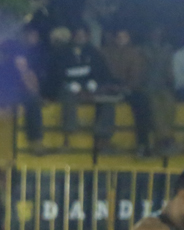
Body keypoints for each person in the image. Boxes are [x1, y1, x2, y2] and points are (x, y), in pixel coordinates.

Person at [51, 26, 117, 154]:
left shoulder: (94, 53)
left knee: (108, 100)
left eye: (83, 35)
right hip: (68, 88)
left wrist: (93, 86)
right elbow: (56, 76)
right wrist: (75, 88)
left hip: (91, 89)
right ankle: (67, 140)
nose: (80, 38)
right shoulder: (61, 53)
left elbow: (102, 74)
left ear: (88, 36)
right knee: (68, 98)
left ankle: (103, 139)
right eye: (77, 35)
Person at [102, 28, 152, 156]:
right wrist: (111, 86)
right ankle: (103, 142)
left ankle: (143, 144)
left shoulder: (135, 53)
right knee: (103, 103)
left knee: (143, 103)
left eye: (124, 37)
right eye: (119, 37)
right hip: (109, 89)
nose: (121, 39)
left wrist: (126, 87)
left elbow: (137, 76)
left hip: (129, 89)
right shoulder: (105, 52)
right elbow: (101, 72)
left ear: (129, 38)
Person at [143, 26, 178, 155]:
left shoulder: (167, 49)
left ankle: (164, 139)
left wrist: (171, 82)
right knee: (156, 106)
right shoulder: (143, 49)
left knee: (170, 105)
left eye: (159, 33)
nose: (156, 35)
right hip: (146, 86)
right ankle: (165, 139)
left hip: (163, 86)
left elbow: (169, 70)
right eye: (154, 32)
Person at [14, 26, 46, 151]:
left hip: (25, 92)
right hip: (10, 89)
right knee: (32, 100)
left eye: (35, 35)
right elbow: (23, 74)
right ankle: (35, 141)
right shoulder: (17, 51)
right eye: (31, 35)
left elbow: (33, 78)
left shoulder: (38, 53)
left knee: (33, 100)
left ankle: (36, 141)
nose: (34, 38)